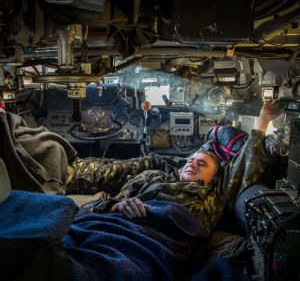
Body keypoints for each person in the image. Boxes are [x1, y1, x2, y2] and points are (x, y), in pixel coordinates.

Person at [0, 100, 284, 233]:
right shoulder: (158, 173)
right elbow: (110, 202)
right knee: (42, 150)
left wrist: (261, 121)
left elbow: (244, 166)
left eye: (202, 163)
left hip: (144, 232)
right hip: (108, 217)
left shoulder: (212, 197)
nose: (191, 164)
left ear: (215, 178)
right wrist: (111, 207)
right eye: (190, 160)